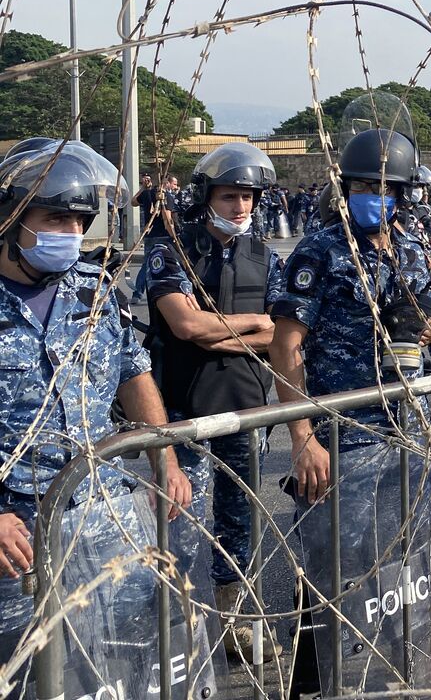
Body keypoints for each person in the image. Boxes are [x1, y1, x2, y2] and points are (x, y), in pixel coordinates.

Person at [0, 141, 191, 666]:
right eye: (56, 218)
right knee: (25, 672)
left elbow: (133, 371)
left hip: (101, 511)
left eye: (81, 221)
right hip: (15, 533)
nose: (71, 234)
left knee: (113, 661)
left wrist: (164, 456)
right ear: (11, 215)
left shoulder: (94, 289)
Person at [144, 143, 285, 662]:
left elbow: (282, 333)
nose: (239, 207)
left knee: (238, 522)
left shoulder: (265, 257)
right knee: (181, 523)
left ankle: (236, 618)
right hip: (182, 409)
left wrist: (217, 334)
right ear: (208, 197)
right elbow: (183, 325)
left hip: (247, 408)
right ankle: (179, 626)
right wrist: (252, 328)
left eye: (247, 197)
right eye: (229, 196)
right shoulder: (174, 250)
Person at [269, 128, 431, 503]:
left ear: (401, 195)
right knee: (345, 553)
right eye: (360, 187)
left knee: (416, 552)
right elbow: (285, 346)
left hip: (411, 424)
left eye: (382, 189)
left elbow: (426, 315)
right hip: (346, 430)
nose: (371, 197)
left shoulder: (410, 251)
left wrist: (427, 327)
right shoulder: (321, 251)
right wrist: (303, 436)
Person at [131, 173, 179, 302]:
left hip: (150, 234)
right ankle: (168, 292)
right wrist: (174, 236)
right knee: (169, 263)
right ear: (166, 183)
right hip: (163, 236)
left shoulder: (147, 194)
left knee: (147, 264)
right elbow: (167, 219)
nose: (174, 187)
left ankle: (137, 293)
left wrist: (143, 188)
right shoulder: (166, 197)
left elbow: (133, 201)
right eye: (173, 184)